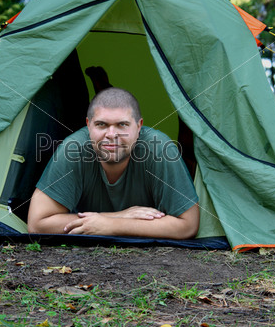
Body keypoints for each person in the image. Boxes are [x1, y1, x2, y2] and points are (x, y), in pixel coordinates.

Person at [27, 87, 199, 239]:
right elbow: (37, 224)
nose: (111, 134)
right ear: (88, 125)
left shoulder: (159, 149)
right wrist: (117, 216)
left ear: (139, 126)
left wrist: (110, 226)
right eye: (101, 124)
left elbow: (188, 225)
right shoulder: (74, 149)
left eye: (122, 125)